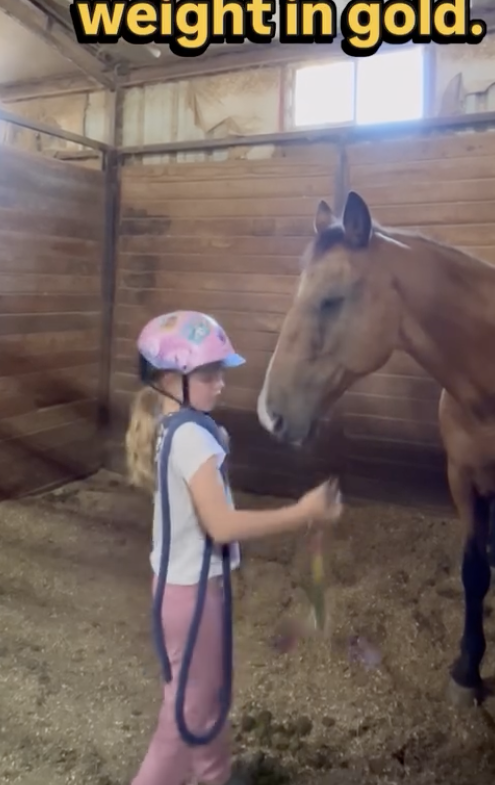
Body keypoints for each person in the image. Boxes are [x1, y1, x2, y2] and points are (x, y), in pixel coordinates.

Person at [125, 310, 343, 785]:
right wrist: (302, 512)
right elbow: (221, 526)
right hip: (192, 598)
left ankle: (215, 777)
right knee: (184, 718)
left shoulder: (175, 425)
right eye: (209, 375)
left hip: (184, 590)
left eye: (220, 373)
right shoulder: (191, 438)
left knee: (204, 700)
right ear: (171, 380)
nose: (221, 384)